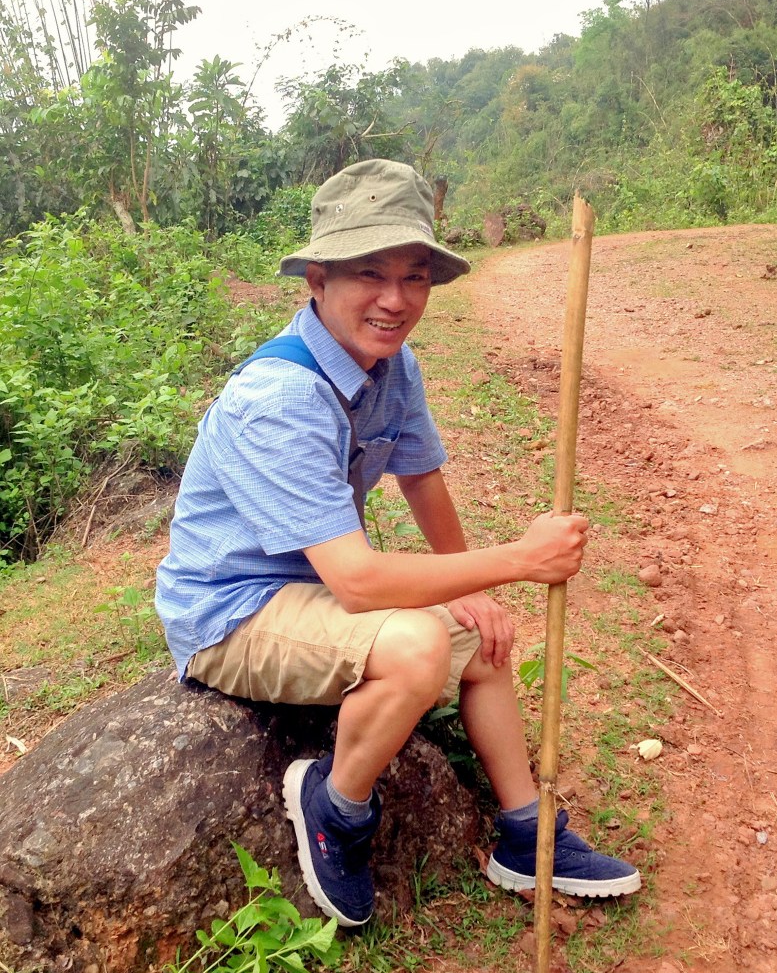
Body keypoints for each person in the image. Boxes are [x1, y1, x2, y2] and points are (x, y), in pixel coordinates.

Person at [155, 159, 641, 927]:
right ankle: (334, 806)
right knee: (417, 644)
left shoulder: (390, 365)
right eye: (368, 273)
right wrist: (518, 558)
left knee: (478, 638)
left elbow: (421, 477)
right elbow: (354, 580)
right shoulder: (280, 396)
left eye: (413, 276)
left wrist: (469, 590)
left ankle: (524, 832)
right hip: (233, 611)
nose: (394, 299)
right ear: (317, 278)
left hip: (308, 593)